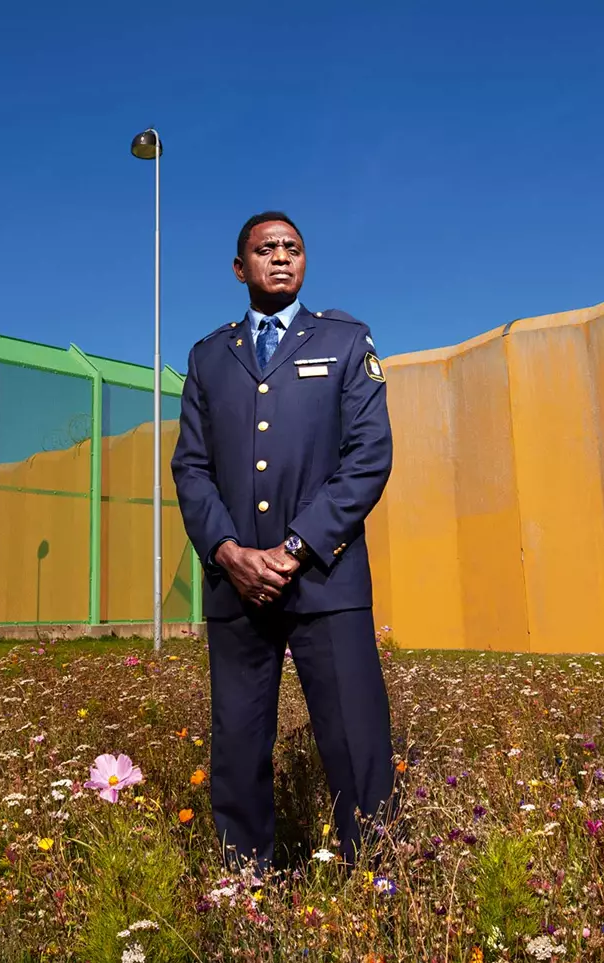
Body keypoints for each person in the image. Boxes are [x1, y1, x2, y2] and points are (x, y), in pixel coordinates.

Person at [171, 210, 395, 871]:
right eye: (264, 249)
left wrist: (295, 548)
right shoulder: (210, 357)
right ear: (240, 269)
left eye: (291, 248)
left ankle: (378, 884)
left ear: (304, 263)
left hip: (327, 577)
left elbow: (368, 456)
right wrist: (229, 553)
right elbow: (191, 466)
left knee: (357, 741)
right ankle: (247, 887)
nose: (280, 257)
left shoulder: (347, 342)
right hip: (237, 586)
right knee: (238, 745)